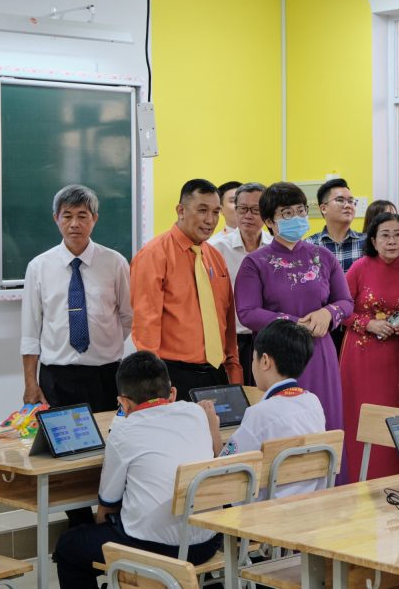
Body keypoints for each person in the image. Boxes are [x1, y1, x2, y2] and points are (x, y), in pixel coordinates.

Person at [53, 352, 222, 589]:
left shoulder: (123, 431)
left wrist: (105, 534)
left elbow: (107, 505)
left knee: (69, 546)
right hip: (209, 541)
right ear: (171, 392)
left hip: (156, 549)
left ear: (123, 403)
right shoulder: (196, 413)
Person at [235, 182, 353, 436]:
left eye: (301, 211)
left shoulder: (323, 256)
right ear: (270, 221)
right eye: (287, 213)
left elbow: (346, 302)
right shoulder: (255, 262)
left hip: (319, 352)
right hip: (277, 356)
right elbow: (247, 312)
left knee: (325, 425)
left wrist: (327, 313)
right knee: (282, 428)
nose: (297, 218)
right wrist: (293, 323)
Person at [21, 184, 133, 411]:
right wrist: (30, 383)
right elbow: (30, 331)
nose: (74, 224)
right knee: (59, 434)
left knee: (107, 432)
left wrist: (105, 344)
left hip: (106, 375)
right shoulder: (38, 267)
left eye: (82, 216)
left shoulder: (115, 263)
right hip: (56, 377)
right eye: (67, 216)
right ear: (56, 218)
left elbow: (127, 316)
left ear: (95, 219)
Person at [131, 179, 241, 400]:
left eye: (215, 212)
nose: (210, 220)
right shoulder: (154, 255)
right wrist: (153, 384)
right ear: (181, 211)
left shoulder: (215, 256)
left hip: (217, 373)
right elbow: (146, 325)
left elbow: (226, 320)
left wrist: (233, 370)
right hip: (173, 375)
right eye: (202, 210)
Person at [202, 320, 326, 498]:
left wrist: (212, 427)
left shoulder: (260, 413)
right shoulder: (313, 402)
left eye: (254, 359)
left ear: (265, 361)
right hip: (308, 502)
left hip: (268, 508)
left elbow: (224, 469)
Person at [340, 212, 399, 482]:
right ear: (373, 240)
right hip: (361, 355)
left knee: (393, 414)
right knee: (361, 414)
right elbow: (341, 308)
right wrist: (367, 324)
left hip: (396, 354)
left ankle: (396, 478)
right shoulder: (359, 267)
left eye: (397, 235)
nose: (392, 241)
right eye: (385, 235)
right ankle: (357, 478)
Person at [209, 182, 272, 385]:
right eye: (242, 209)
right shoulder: (215, 249)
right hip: (230, 341)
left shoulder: (276, 248)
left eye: (255, 210)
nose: (248, 215)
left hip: (270, 339)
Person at [306, 178, 364, 355]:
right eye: (340, 200)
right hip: (321, 328)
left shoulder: (367, 244)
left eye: (351, 201)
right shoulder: (309, 246)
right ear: (323, 208)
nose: (348, 205)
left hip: (359, 329)